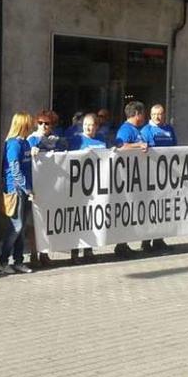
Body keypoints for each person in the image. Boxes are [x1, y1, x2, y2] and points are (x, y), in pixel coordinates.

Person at [0, 112, 34, 275]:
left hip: (25, 190)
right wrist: (27, 188)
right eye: (29, 123)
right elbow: (15, 169)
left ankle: (18, 261)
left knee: (22, 228)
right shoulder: (13, 144)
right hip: (16, 190)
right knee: (16, 226)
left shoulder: (25, 143)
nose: (32, 126)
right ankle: (3, 261)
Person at [67, 113, 105, 264]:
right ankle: (75, 253)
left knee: (92, 218)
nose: (88, 128)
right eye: (85, 125)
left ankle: (89, 251)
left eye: (91, 125)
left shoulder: (101, 139)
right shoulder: (77, 139)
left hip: (96, 185)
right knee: (78, 219)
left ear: (97, 126)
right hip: (79, 185)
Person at [27, 109, 62, 267]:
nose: (42, 126)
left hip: (52, 187)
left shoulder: (57, 141)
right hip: (36, 187)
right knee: (34, 223)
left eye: (46, 124)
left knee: (48, 222)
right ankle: (33, 255)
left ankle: (45, 254)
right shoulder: (31, 139)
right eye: (40, 123)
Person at [113, 101, 148, 258]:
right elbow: (120, 146)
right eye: (143, 113)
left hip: (137, 177)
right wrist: (138, 146)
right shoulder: (126, 129)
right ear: (137, 114)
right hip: (127, 177)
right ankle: (121, 245)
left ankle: (124, 243)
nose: (144, 117)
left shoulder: (136, 129)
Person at [139, 103, 176, 251]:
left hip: (165, 175)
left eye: (160, 114)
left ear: (164, 114)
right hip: (150, 174)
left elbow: (175, 148)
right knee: (149, 208)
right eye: (154, 114)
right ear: (150, 115)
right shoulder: (146, 130)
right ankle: (146, 241)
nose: (157, 117)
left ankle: (159, 239)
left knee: (163, 207)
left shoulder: (169, 129)